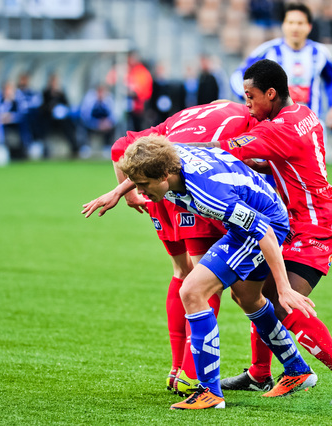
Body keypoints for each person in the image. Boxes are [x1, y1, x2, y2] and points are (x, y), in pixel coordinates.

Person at [190, 59, 332, 405]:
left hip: (315, 227)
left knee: (279, 299)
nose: (247, 104)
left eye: (250, 96)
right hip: (296, 220)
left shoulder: (277, 130)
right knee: (247, 291)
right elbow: (281, 158)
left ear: (271, 94)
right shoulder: (302, 113)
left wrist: (171, 150)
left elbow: (220, 152)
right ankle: (260, 373)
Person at [107, 135, 319, 410]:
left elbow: (264, 230)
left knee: (192, 291)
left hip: (266, 226)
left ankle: (210, 393)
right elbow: (156, 162)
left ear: (165, 174)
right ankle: (296, 369)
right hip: (252, 218)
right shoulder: (169, 158)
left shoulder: (209, 194)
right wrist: (118, 191)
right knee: (247, 298)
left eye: (144, 185)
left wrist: (283, 288)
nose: (142, 192)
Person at [82, 101, 259, 397]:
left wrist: (128, 194)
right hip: (188, 189)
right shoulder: (246, 119)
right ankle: (193, 374)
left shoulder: (178, 120)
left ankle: (177, 369)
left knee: (181, 272)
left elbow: (119, 148)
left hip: (154, 190)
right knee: (208, 283)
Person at [229, 2, 332, 163]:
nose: (295, 28)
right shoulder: (268, 50)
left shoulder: (320, 53)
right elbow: (238, 75)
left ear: (309, 27)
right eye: (290, 23)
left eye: (299, 23)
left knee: (311, 183)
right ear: (283, 25)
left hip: (310, 128)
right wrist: (247, 96)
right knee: (273, 182)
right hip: (275, 129)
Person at [106, 50, 153, 132]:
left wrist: (126, 91)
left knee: (136, 129)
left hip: (138, 107)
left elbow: (139, 91)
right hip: (123, 105)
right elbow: (109, 81)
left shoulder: (141, 72)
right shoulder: (125, 69)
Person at [38, 74, 79, 159]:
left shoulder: (61, 93)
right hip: (49, 118)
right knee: (43, 126)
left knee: (69, 125)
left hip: (61, 119)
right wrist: (50, 108)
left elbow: (67, 104)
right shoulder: (45, 93)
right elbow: (42, 107)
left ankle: (75, 148)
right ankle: (45, 149)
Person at [0, 81, 31, 161]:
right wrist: (7, 103)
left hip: (16, 121)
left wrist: (12, 117)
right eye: (6, 90)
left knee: (25, 122)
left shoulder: (18, 97)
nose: (8, 92)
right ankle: (0, 145)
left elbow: (23, 111)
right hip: (4, 122)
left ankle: (25, 145)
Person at [79, 84, 117, 158]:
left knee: (113, 127)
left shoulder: (109, 99)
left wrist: (107, 122)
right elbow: (85, 115)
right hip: (92, 123)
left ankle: (107, 146)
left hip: (105, 125)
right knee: (82, 124)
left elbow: (114, 115)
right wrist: (97, 123)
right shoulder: (89, 99)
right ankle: (86, 146)